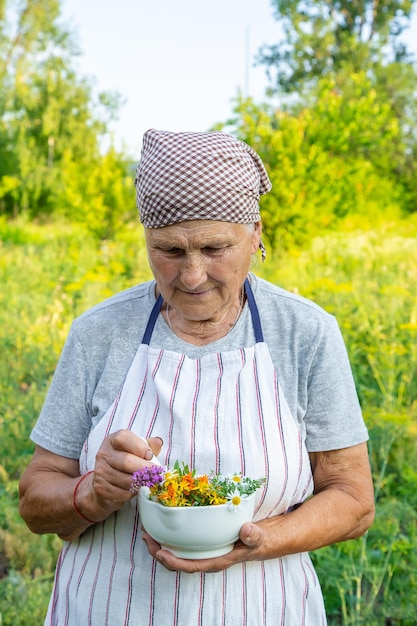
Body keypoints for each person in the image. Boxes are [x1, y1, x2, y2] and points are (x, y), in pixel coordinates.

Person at [19, 129, 375, 625]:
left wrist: (257, 542)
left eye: (214, 247)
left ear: (255, 233)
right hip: (109, 610)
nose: (191, 275)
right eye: (169, 250)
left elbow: (354, 500)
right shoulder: (100, 332)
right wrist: (94, 491)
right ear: (146, 239)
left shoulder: (305, 332)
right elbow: (36, 501)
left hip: (263, 610)